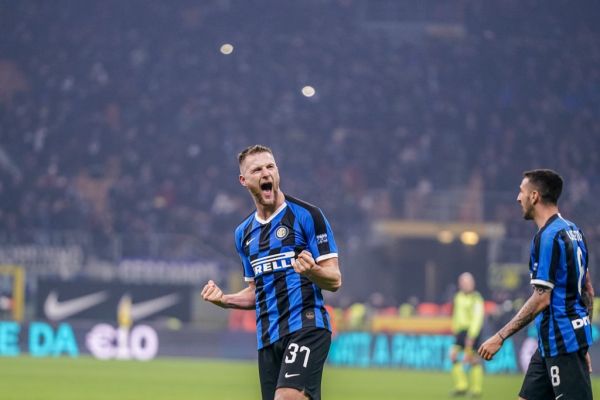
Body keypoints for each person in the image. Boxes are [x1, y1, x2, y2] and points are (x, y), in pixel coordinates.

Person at [201, 145, 342, 400]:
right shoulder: (243, 234)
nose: (266, 173)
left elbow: (335, 279)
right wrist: (225, 300)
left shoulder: (307, 216)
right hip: (268, 339)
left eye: (270, 166)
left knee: (287, 397)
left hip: (307, 326)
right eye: (257, 169)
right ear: (244, 180)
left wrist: (313, 272)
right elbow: (257, 293)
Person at [478, 169, 594, 400]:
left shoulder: (548, 237)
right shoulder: (574, 231)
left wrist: (499, 336)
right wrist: (581, 340)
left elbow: (542, 297)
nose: (517, 198)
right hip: (555, 343)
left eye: (521, 191)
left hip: (561, 342)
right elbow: (587, 288)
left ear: (534, 196)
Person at [450, 272, 485, 398]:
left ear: (473, 284)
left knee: (473, 359)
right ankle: (462, 385)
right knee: (453, 355)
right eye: (463, 282)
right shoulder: (458, 297)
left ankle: (476, 389)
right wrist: (455, 329)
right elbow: (456, 315)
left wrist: (472, 336)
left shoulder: (476, 298)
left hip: (472, 332)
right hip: (460, 332)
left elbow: (477, 318)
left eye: (468, 282)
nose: (465, 285)